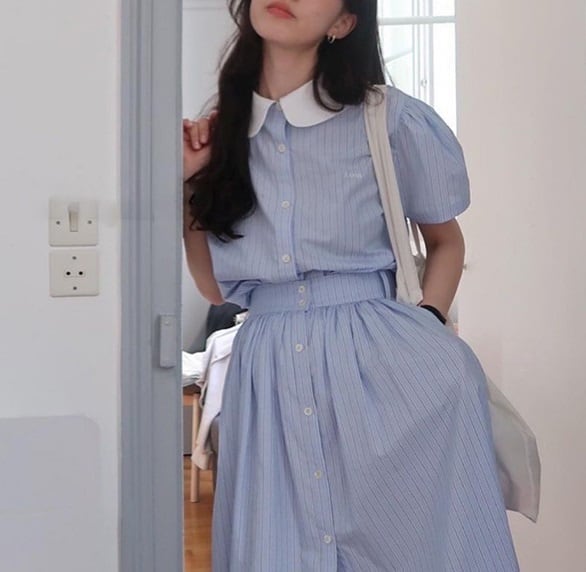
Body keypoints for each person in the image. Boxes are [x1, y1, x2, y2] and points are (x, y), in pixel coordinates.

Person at [182, 0, 519, 570]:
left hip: (381, 364)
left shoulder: (388, 119)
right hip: (267, 373)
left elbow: (446, 242)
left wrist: (426, 326)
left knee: (416, 549)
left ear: (343, 22)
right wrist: (191, 184)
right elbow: (215, 289)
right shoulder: (221, 131)